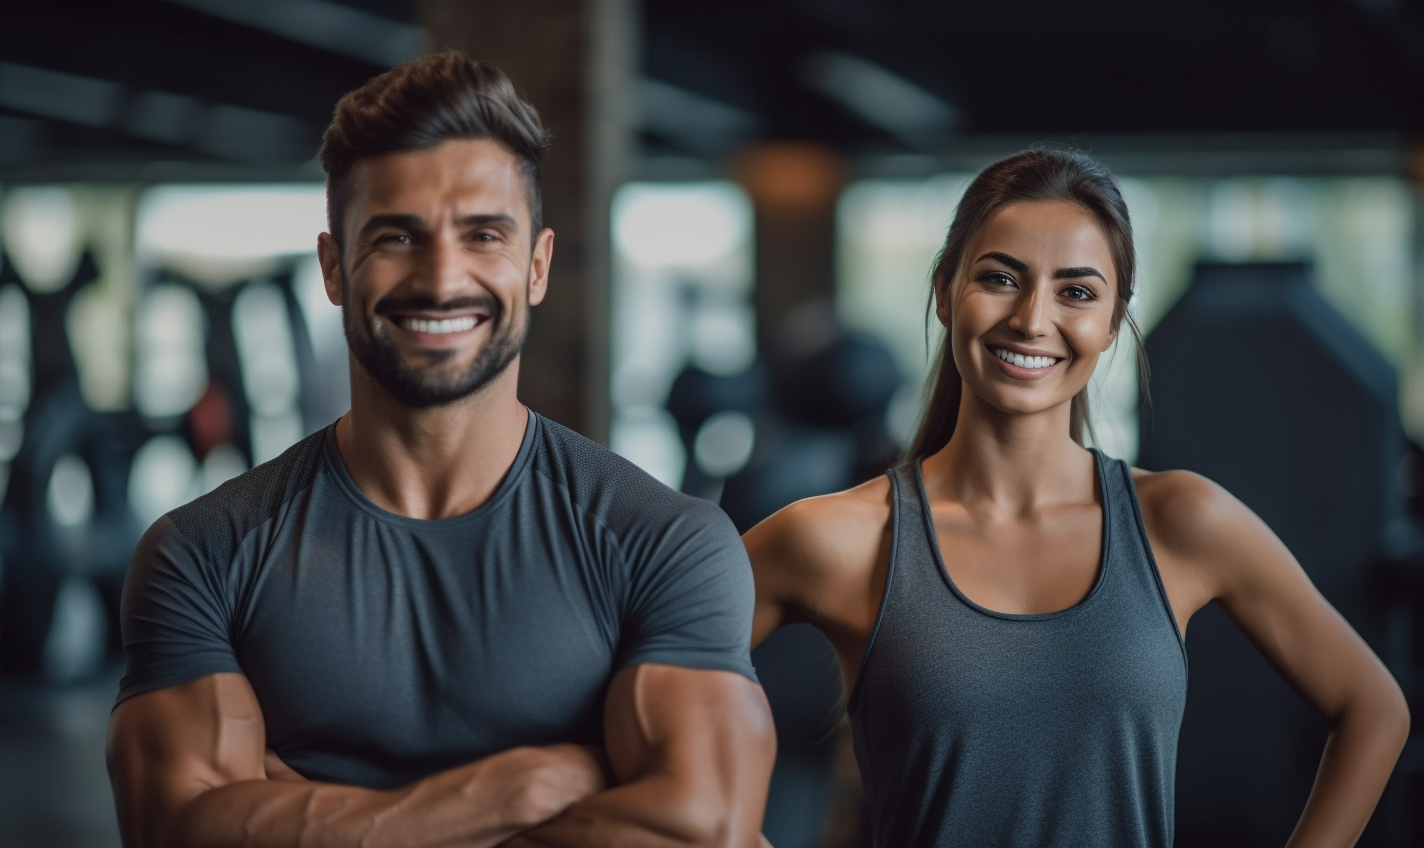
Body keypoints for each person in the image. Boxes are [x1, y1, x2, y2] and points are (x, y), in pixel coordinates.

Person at [107, 52, 774, 848]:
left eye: (484, 235)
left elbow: (702, 828)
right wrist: (512, 789)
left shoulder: (664, 542)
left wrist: (307, 816)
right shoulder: (204, 553)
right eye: (397, 236)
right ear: (333, 267)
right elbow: (175, 828)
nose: (442, 277)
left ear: (537, 266)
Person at [745, 148, 1409, 847]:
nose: (1033, 320)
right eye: (1001, 279)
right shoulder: (839, 537)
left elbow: (1373, 709)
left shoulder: (1182, 522)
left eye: (1077, 291)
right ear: (945, 292)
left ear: (1115, 320)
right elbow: (634, 696)